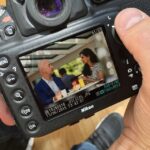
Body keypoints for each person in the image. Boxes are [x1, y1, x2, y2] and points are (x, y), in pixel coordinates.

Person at [0, 8, 150, 150]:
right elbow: (42, 103)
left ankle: (89, 147)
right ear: (41, 70)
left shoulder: (60, 78)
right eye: (49, 64)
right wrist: (54, 100)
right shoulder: (39, 87)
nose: (52, 66)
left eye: (82, 57)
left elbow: (81, 86)